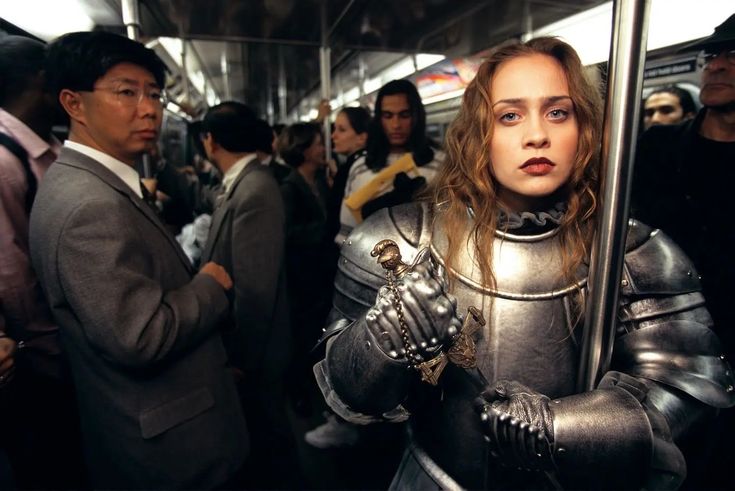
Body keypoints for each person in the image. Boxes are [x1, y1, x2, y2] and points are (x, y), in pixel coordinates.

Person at [315, 36, 734, 490]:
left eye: (558, 112)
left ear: (585, 127)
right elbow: (345, 389)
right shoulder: (398, 237)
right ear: (480, 131)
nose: (537, 134)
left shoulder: (634, 251)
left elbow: (687, 388)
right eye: (510, 115)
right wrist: (384, 340)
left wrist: (561, 428)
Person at [29, 31, 248, 489]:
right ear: (73, 103)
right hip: (169, 445)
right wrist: (210, 286)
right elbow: (139, 336)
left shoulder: (84, 183)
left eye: (153, 94)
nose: (148, 108)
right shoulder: (89, 205)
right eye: (126, 92)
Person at [632, 13, 735, 489]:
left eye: (734, 57)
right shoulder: (657, 150)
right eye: (713, 55)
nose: (717, 66)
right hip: (650, 353)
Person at [0, 35, 86, 489]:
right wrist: (51, 351)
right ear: (41, 82)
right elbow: (12, 276)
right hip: (39, 356)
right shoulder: (5, 160)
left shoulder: (43, 149)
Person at [198, 101, 298, 489]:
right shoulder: (243, 181)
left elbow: (256, 289)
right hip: (252, 348)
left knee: (270, 442)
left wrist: (241, 357)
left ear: (210, 141)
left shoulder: (255, 189)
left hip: (256, 351)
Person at [336, 80, 443, 244]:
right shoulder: (360, 166)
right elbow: (346, 234)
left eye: (404, 115)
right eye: (388, 116)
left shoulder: (441, 164)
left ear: (416, 117)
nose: (396, 125)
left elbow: (450, 227)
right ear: (379, 119)